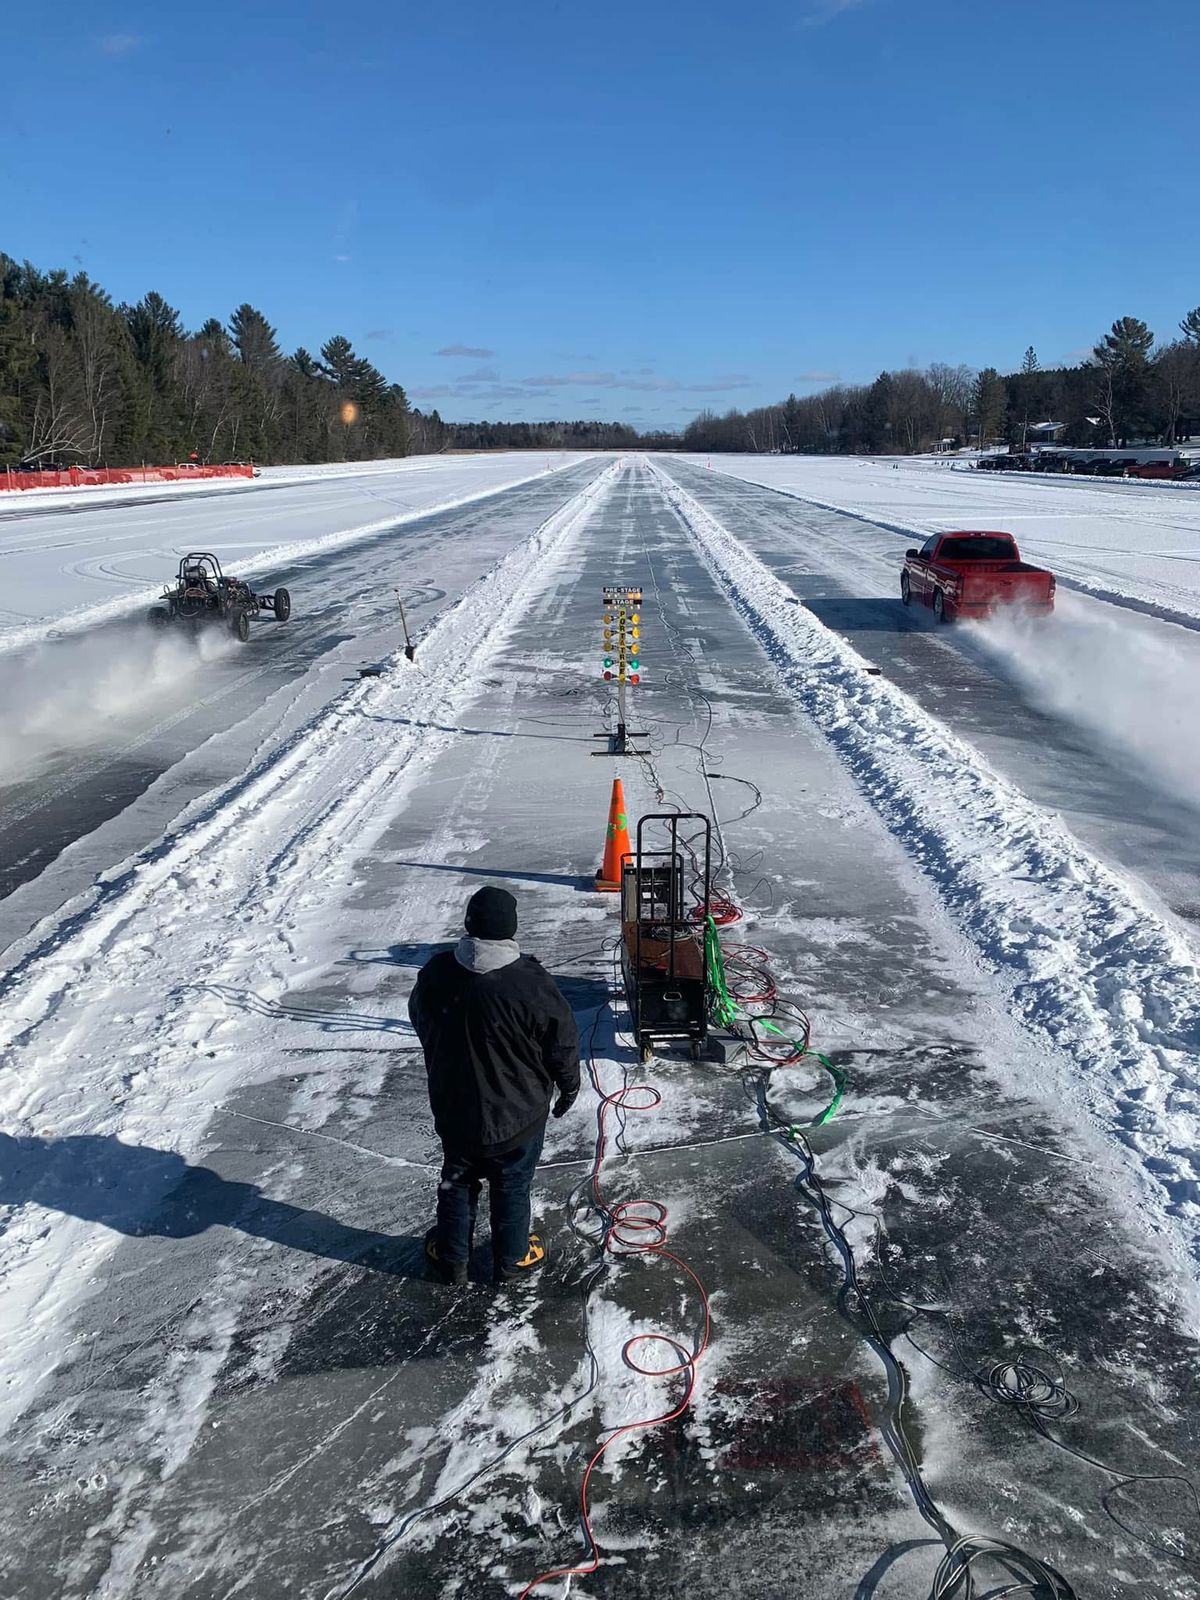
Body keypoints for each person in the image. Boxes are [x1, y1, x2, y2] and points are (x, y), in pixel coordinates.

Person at [408, 886, 580, 1287]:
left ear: (469, 925)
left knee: (457, 1182)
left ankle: (452, 1259)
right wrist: (568, 1087)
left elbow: (420, 1018)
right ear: (511, 929)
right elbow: (562, 1042)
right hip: (518, 1115)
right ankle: (512, 1259)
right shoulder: (531, 982)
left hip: (457, 1111)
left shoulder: (436, 972)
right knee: (512, 1183)